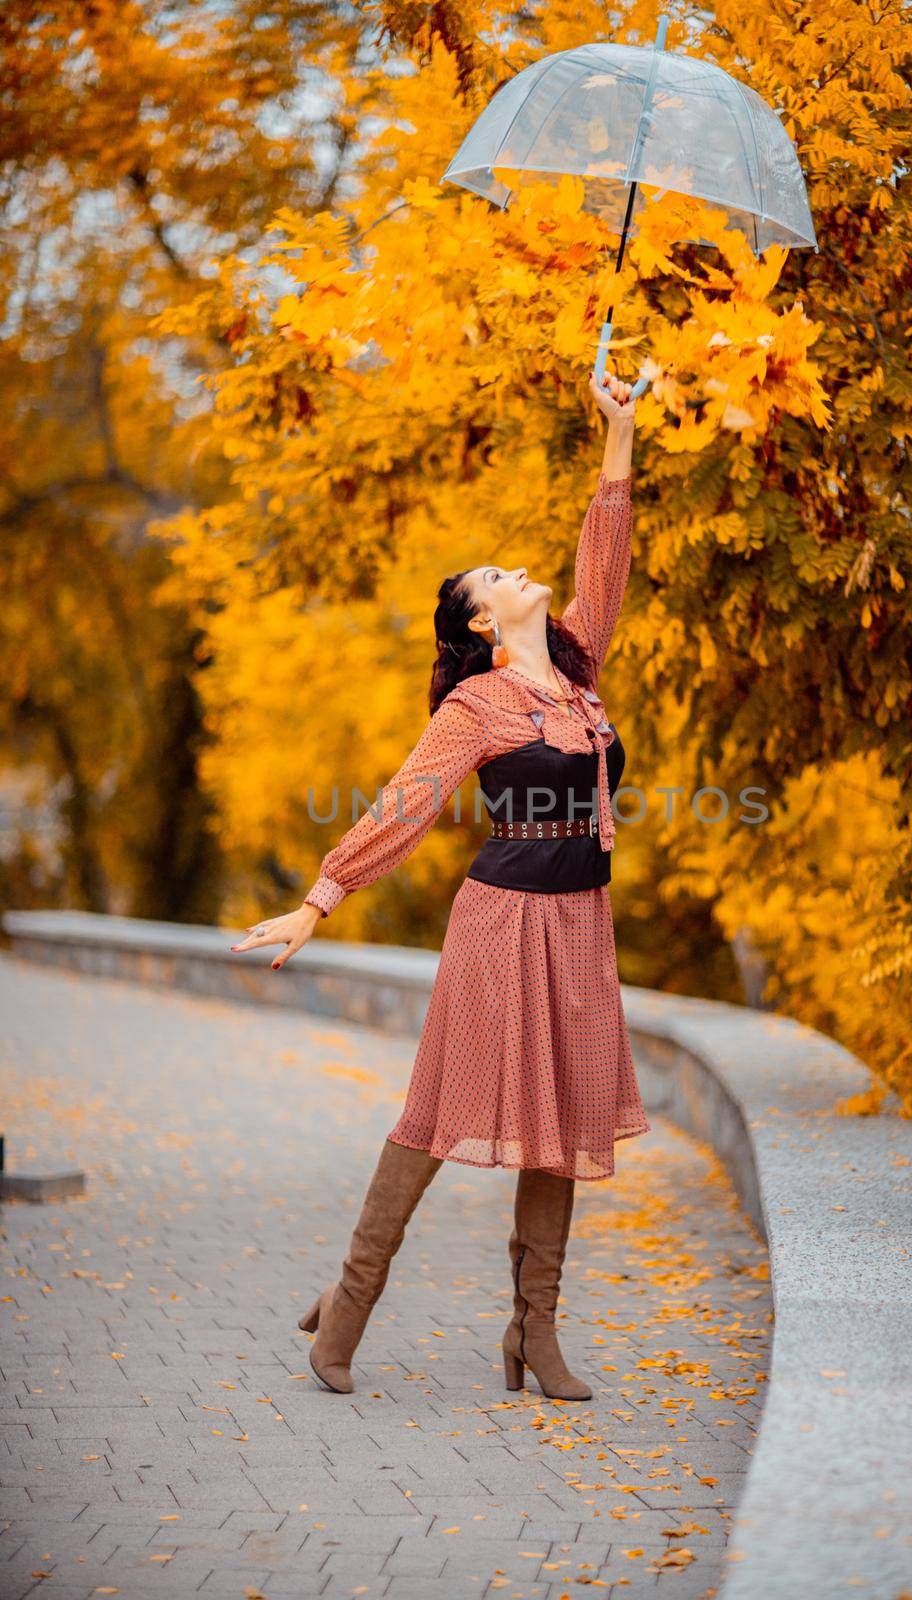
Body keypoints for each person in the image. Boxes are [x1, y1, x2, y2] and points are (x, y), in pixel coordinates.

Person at [230, 369, 650, 1401]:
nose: (519, 571)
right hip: (500, 924)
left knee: (563, 1127)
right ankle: (349, 1303)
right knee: (437, 1110)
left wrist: (619, 430)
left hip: (579, 924)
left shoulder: (577, 672)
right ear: (477, 621)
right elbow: (404, 802)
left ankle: (532, 1335)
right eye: (496, 576)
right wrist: (321, 895)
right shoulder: (477, 702)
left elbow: (607, 556)